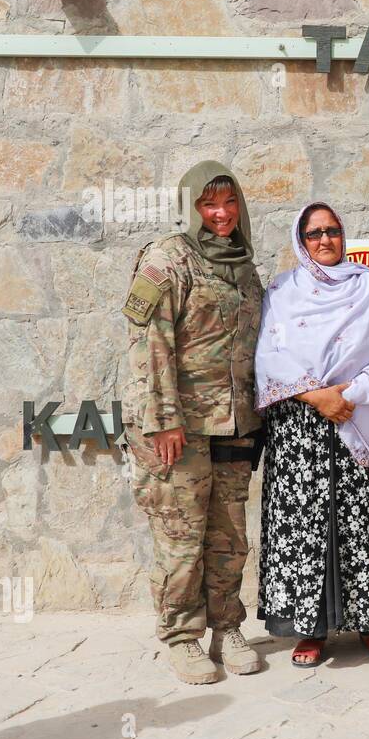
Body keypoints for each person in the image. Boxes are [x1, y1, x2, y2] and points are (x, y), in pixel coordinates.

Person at [121, 161, 264, 685]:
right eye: (208, 204)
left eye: (228, 202)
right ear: (190, 207)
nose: (221, 213)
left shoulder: (244, 266)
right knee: (181, 539)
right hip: (177, 427)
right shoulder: (166, 259)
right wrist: (161, 419)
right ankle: (182, 636)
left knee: (229, 538)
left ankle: (227, 628)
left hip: (233, 425)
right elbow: (148, 344)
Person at [254, 202, 369, 668]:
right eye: (315, 233)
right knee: (305, 528)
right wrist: (316, 396)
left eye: (333, 231)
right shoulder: (282, 290)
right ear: (301, 240)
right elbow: (269, 355)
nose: (325, 240)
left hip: (357, 417)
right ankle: (311, 629)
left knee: (362, 525)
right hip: (301, 425)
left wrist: (353, 393)